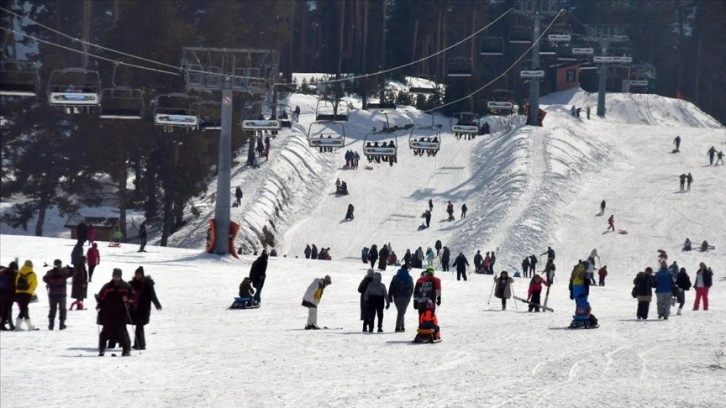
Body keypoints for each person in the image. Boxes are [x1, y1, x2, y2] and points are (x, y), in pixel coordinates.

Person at [96, 268, 134, 356]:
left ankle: (126, 350)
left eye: (117, 276)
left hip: (121, 312)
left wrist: (127, 299)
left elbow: (133, 298)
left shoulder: (126, 286)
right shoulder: (107, 286)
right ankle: (101, 349)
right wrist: (99, 302)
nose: (115, 278)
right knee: (106, 330)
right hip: (109, 311)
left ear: (120, 276)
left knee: (122, 330)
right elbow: (102, 297)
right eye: (114, 276)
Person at [128, 266, 162, 350]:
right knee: (138, 326)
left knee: (139, 326)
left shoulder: (147, 284)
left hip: (143, 308)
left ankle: (141, 345)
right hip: (134, 308)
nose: (137, 275)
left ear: (142, 275)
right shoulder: (132, 283)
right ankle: (138, 344)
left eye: (139, 274)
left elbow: (152, 295)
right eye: (136, 274)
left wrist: (157, 304)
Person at [43, 260, 74, 329]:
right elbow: (73, 272)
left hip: (52, 294)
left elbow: (44, 278)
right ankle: (61, 324)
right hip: (62, 293)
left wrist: (50, 282)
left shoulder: (49, 272)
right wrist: (70, 268)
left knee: (52, 309)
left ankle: (51, 325)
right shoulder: (64, 272)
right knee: (62, 309)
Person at [389, 264, 414, 333]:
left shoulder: (395, 277)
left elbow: (391, 287)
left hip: (396, 296)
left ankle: (402, 327)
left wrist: (390, 296)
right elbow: (412, 288)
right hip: (405, 296)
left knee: (401, 311)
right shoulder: (409, 278)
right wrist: (410, 296)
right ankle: (397, 327)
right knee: (401, 311)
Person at [14, 260, 38, 331]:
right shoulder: (32, 274)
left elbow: (16, 283)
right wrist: (31, 290)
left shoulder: (19, 273)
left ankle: (29, 325)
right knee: (23, 309)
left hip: (18, 293)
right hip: (27, 293)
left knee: (24, 308)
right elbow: (34, 284)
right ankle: (17, 326)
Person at [0, 262, 18, 331]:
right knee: (7, 310)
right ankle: (4, 325)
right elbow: (14, 285)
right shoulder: (13, 274)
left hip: (1, 293)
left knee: (2, 310)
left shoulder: (2, 272)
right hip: (9, 294)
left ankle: (3, 325)